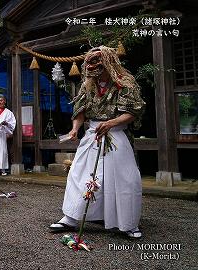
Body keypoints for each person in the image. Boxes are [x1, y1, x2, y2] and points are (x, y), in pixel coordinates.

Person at [49, 46, 145, 239]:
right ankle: (71, 217)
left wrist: (111, 123)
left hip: (116, 135)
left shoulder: (125, 82)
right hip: (92, 134)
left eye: (96, 63)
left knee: (124, 179)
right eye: (89, 63)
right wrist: (75, 128)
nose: (91, 67)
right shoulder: (88, 85)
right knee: (79, 174)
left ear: (108, 63)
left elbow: (133, 112)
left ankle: (127, 223)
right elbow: (80, 110)